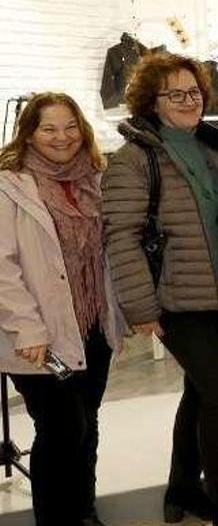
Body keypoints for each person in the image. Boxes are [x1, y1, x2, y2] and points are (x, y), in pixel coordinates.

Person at [101, 54, 218, 525]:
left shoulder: (213, 148)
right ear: (152, 101)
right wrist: (141, 307)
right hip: (175, 301)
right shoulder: (136, 157)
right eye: (175, 94)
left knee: (199, 393)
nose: (188, 101)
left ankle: (182, 489)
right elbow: (120, 236)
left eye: (193, 92)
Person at [0, 93, 123, 526]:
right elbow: (2, 266)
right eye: (49, 128)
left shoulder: (95, 177)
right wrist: (28, 328)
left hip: (90, 327)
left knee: (86, 423)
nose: (62, 137)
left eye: (70, 126)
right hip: (39, 336)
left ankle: (83, 510)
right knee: (61, 429)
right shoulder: (9, 184)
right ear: (29, 132)